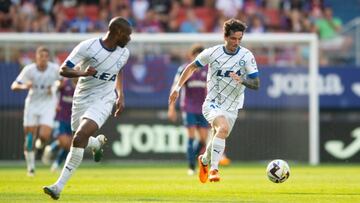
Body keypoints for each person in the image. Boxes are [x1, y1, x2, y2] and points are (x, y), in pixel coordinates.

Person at [43, 16, 132, 200]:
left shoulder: (124, 52)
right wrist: (82, 72)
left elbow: (119, 68)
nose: (130, 39)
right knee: (80, 138)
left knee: (79, 136)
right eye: (128, 35)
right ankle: (97, 143)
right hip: (81, 97)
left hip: (104, 99)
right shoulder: (88, 47)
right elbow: (63, 69)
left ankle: (58, 186)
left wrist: (120, 94)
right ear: (118, 32)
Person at [169, 18, 260, 183]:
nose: (236, 42)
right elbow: (190, 67)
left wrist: (242, 80)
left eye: (240, 39)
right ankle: (214, 170)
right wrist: (177, 88)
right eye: (233, 38)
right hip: (212, 103)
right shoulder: (212, 53)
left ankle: (204, 160)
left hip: (233, 106)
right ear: (225, 36)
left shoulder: (246, 56)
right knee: (222, 128)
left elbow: (256, 83)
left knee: (221, 133)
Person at [11, 46, 60, 177]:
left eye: (45, 57)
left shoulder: (54, 69)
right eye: (40, 57)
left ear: (48, 58)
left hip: (48, 104)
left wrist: (54, 87)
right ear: (36, 58)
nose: (43, 59)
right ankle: (31, 168)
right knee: (29, 138)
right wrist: (24, 86)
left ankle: (40, 146)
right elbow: (14, 85)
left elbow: (62, 81)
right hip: (32, 104)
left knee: (44, 135)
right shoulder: (29, 70)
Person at [168, 44, 209, 176]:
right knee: (191, 136)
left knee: (203, 140)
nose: (197, 58)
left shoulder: (208, 70)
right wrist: (171, 108)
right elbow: (175, 88)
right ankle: (191, 166)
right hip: (189, 107)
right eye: (195, 55)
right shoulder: (184, 69)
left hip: (203, 108)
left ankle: (195, 158)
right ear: (191, 56)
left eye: (200, 56)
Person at [41, 78, 76, 172]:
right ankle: (52, 148)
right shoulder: (65, 83)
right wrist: (56, 86)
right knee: (64, 142)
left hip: (74, 118)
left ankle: (56, 163)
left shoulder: (82, 85)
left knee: (69, 145)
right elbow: (54, 89)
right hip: (61, 117)